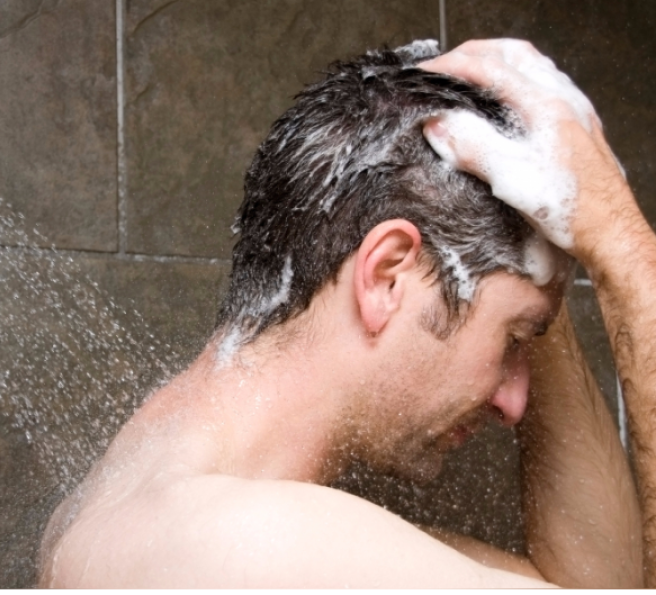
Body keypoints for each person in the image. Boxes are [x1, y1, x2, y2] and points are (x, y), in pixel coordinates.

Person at [38, 39, 653, 588]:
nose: (513, 403)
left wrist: (537, 235)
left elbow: (596, 580)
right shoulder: (248, 548)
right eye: (514, 340)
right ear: (386, 276)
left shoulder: (166, 500)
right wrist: (619, 243)